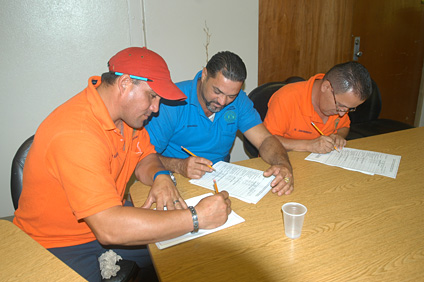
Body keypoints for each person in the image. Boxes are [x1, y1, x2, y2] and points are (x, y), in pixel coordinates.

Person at [13, 47, 232, 281]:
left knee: (195, 253)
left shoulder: (127, 117)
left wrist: (160, 176)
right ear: (125, 83)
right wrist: (195, 217)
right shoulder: (76, 132)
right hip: (57, 243)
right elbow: (109, 228)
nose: (156, 108)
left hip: (106, 220)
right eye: (152, 95)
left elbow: (146, 156)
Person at [145, 51, 294, 196]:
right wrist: (179, 165)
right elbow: (144, 158)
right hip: (175, 180)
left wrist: (283, 165)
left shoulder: (239, 101)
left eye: (231, 96)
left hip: (221, 182)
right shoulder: (171, 102)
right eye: (217, 91)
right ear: (204, 75)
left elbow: (265, 140)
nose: (222, 102)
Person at [263, 61, 372, 154]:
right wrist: (308, 145)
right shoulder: (286, 98)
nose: (342, 113)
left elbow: (344, 126)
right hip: (282, 162)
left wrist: (338, 136)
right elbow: (266, 140)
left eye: (349, 109)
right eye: (341, 106)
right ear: (326, 87)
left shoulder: (342, 103)